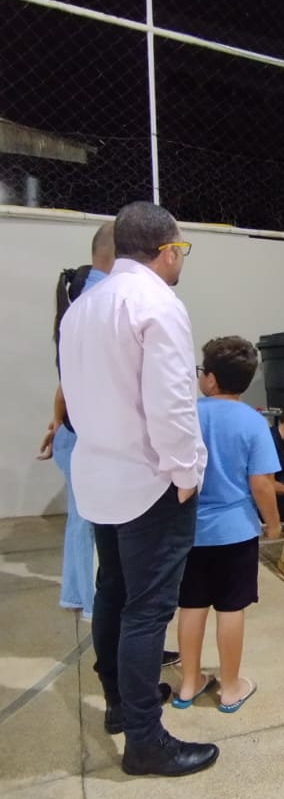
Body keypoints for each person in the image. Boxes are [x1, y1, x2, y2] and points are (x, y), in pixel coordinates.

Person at [59, 201, 218, 779]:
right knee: (148, 611)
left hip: (99, 476)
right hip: (151, 482)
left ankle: (121, 707)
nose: (182, 260)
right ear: (167, 250)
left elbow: (76, 396)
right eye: (183, 249)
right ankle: (146, 742)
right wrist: (186, 473)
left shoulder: (83, 307)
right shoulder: (156, 303)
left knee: (114, 593)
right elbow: (172, 404)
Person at [173, 336, 281, 712]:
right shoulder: (253, 422)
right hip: (236, 531)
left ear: (211, 379)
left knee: (191, 605)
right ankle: (231, 688)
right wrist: (273, 524)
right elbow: (262, 483)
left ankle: (189, 683)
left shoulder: (187, 415)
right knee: (231, 608)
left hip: (189, 530)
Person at [38, 222, 115, 623]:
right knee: (87, 523)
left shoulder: (74, 316)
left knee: (78, 521)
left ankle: (74, 593)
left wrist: (55, 425)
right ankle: (89, 602)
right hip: (82, 438)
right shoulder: (96, 309)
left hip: (71, 435)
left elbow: (65, 386)